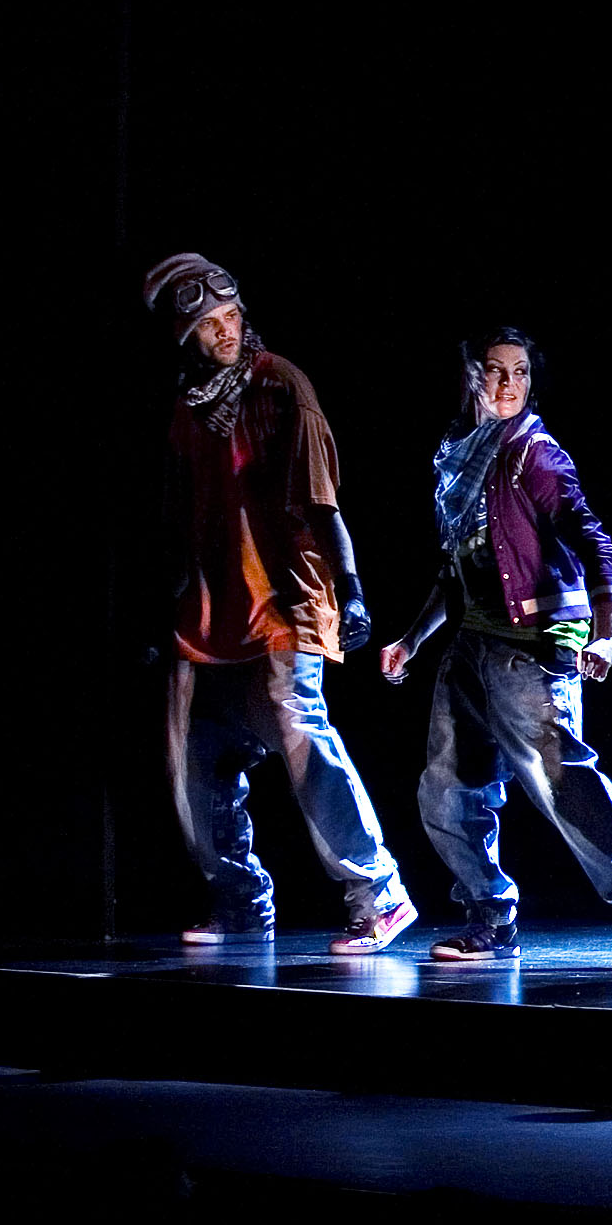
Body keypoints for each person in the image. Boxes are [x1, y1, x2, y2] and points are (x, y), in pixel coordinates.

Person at [379, 327, 612, 969]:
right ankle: (490, 918)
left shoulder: (534, 456)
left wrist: (607, 630)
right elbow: (457, 567)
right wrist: (411, 639)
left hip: (535, 645)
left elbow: (595, 542)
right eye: (495, 370)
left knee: (561, 783)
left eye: (519, 372)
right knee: (447, 788)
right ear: (471, 375)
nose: (507, 384)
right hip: (474, 643)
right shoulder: (460, 456)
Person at [143, 252, 415, 954]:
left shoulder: (279, 384)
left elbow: (322, 500)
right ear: (185, 336)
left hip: (283, 601)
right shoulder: (187, 407)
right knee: (192, 758)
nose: (225, 331)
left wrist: (351, 588)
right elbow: (177, 516)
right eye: (209, 324)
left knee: (303, 737)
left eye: (232, 316)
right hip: (209, 612)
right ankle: (238, 899)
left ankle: (379, 893)